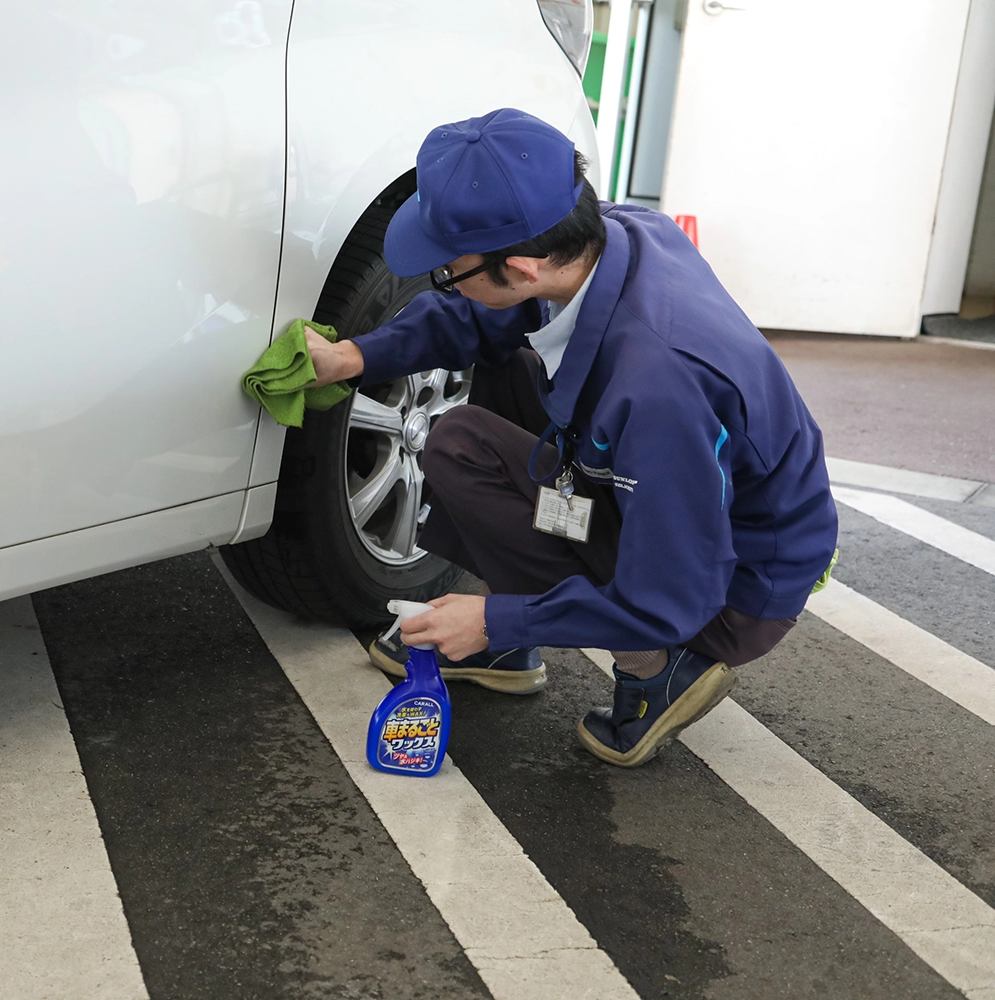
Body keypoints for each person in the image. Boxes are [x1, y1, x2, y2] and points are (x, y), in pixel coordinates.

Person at [306, 109, 838, 767]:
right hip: (685, 497)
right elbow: (475, 314)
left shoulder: (658, 387)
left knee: (458, 445)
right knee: (499, 375)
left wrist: (495, 620)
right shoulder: (620, 236)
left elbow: (668, 595)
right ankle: (517, 627)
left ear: (524, 266)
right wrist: (354, 356)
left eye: (449, 266)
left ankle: (659, 669)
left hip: (725, 586)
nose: (443, 276)